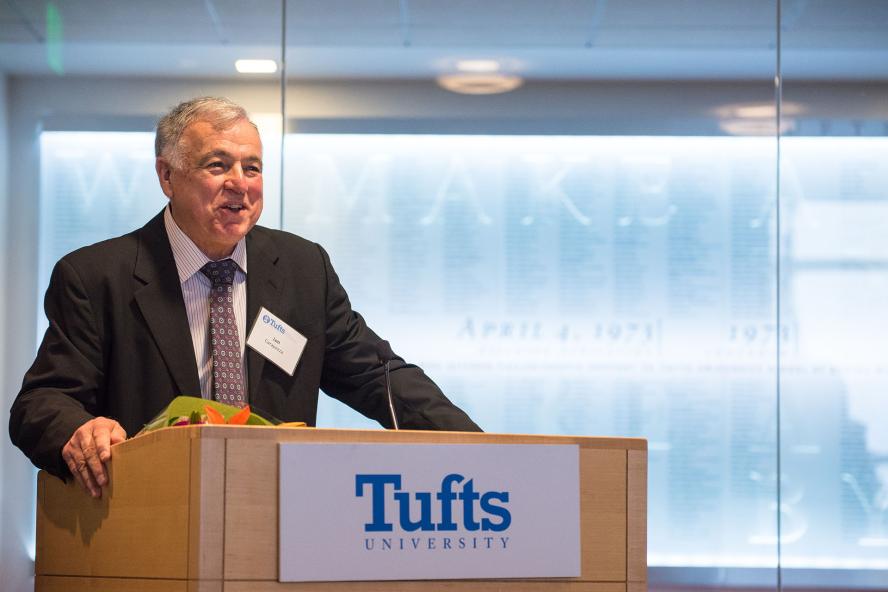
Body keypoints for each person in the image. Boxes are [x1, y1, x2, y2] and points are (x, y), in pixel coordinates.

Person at [9, 97, 480, 499]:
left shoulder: (302, 268)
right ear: (167, 176)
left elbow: (379, 377)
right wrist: (78, 431)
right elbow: (42, 402)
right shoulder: (96, 276)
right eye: (218, 165)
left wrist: (485, 450)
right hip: (151, 516)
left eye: (252, 167)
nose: (241, 182)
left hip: (279, 519)